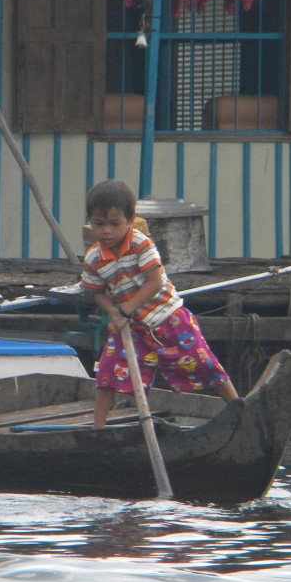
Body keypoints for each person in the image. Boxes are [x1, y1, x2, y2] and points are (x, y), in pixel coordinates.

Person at [79, 180, 240, 429]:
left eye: (114, 224)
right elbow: (96, 291)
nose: (107, 231)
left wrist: (125, 309)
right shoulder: (93, 258)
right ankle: (97, 429)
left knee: (205, 364)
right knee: (108, 374)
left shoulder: (141, 244)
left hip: (168, 317)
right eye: (99, 224)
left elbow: (153, 283)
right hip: (130, 326)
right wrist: (112, 311)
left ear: (130, 220)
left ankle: (239, 409)